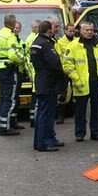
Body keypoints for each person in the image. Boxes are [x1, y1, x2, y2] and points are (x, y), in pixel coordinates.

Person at [63, 21, 98, 141]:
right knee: (80, 111)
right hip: (81, 83)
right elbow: (67, 65)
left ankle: (95, 132)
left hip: (97, 82)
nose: (89, 32)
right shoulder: (74, 45)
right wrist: (76, 78)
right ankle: (80, 133)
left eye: (91, 30)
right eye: (87, 30)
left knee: (96, 110)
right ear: (80, 31)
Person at [30, 20, 64, 152]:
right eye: (53, 28)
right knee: (46, 113)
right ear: (49, 30)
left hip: (41, 81)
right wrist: (62, 77)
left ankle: (47, 139)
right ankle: (44, 142)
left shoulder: (36, 42)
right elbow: (54, 63)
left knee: (44, 113)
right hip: (48, 82)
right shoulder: (45, 44)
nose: (54, 30)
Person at [0, 14, 26, 135]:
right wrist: (23, 59)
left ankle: (2, 124)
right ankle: (4, 128)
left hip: (1, 68)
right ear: (12, 24)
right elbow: (13, 55)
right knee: (10, 99)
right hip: (9, 69)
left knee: (3, 98)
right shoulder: (10, 35)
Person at [55, 23, 76, 124]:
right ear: (65, 31)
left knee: (77, 93)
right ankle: (60, 116)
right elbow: (59, 56)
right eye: (70, 31)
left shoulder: (77, 41)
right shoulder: (60, 42)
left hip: (76, 70)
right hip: (64, 70)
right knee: (62, 93)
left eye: (73, 31)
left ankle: (76, 113)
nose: (72, 33)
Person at [25, 20, 41, 127]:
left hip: (34, 69)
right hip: (34, 70)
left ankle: (33, 117)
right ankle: (34, 119)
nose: (38, 28)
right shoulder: (32, 39)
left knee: (36, 94)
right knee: (36, 95)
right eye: (37, 27)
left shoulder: (33, 37)